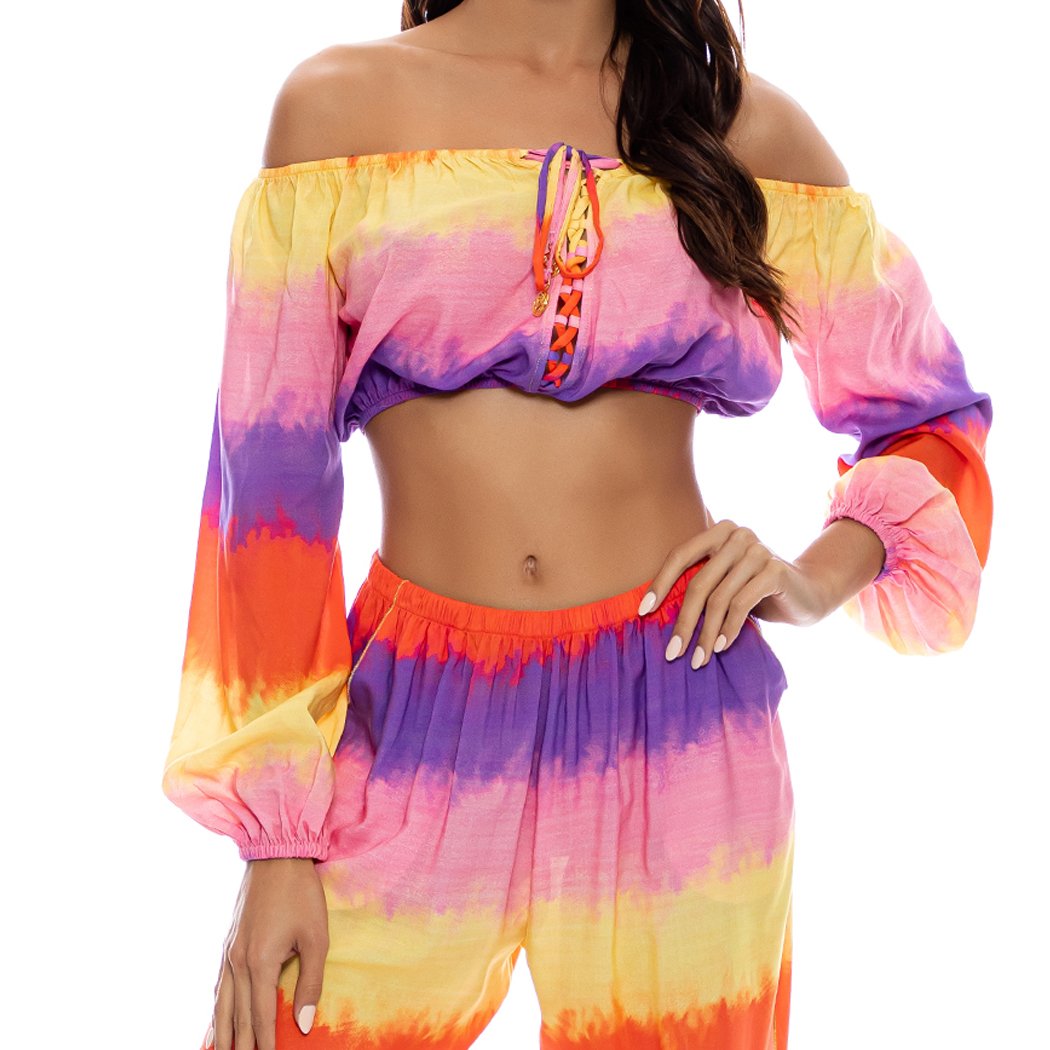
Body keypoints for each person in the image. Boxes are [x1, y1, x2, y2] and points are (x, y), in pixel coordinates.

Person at [160, 2, 994, 1048]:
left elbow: (929, 416)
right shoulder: (338, 110)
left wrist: (814, 577)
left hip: (680, 701)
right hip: (405, 717)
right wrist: (278, 841)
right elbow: (267, 495)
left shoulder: (741, 130)